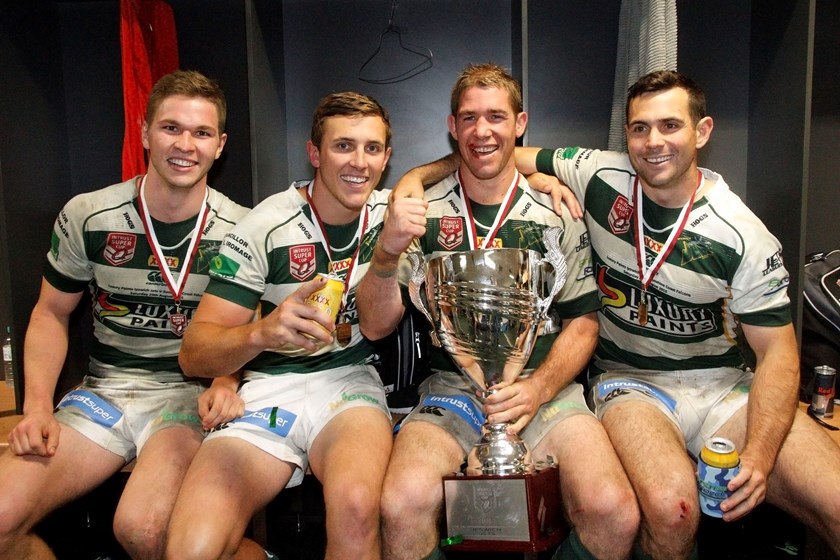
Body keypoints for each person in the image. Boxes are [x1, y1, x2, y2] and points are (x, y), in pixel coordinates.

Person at [511, 70, 840, 558]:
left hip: (723, 386)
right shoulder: (599, 174)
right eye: (640, 128)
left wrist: (760, 454)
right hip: (631, 381)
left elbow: (779, 355)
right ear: (627, 135)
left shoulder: (742, 234)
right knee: (673, 509)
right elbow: (496, 152)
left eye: (670, 125)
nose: (654, 142)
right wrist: (537, 178)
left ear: (702, 131)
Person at [357, 63, 639, 560]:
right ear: (452, 127)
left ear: (520, 123)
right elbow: (377, 324)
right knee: (402, 504)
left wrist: (538, 388)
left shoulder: (557, 210)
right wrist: (385, 254)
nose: (481, 131)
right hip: (454, 393)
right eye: (468, 118)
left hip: (547, 392)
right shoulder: (421, 211)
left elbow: (583, 321)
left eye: (495, 117)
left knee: (613, 510)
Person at [0, 70, 248, 560]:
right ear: (143, 132)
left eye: (201, 133)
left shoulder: (243, 226)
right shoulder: (90, 215)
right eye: (170, 127)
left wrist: (226, 383)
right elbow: (50, 314)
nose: (185, 145)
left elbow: (247, 327)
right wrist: (36, 408)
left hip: (188, 396)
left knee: (144, 530)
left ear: (220, 145)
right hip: (105, 393)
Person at [165, 91, 396, 560]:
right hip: (269, 386)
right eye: (343, 146)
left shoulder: (393, 213)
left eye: (372, 148)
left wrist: (544, 175)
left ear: (387, 158)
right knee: (191, 548)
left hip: (348, 386)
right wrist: (262, 332)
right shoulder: (264, 224)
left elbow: (474, 166)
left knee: (355, 507)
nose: (359, 162)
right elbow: (195, 352)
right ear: (314, 153)